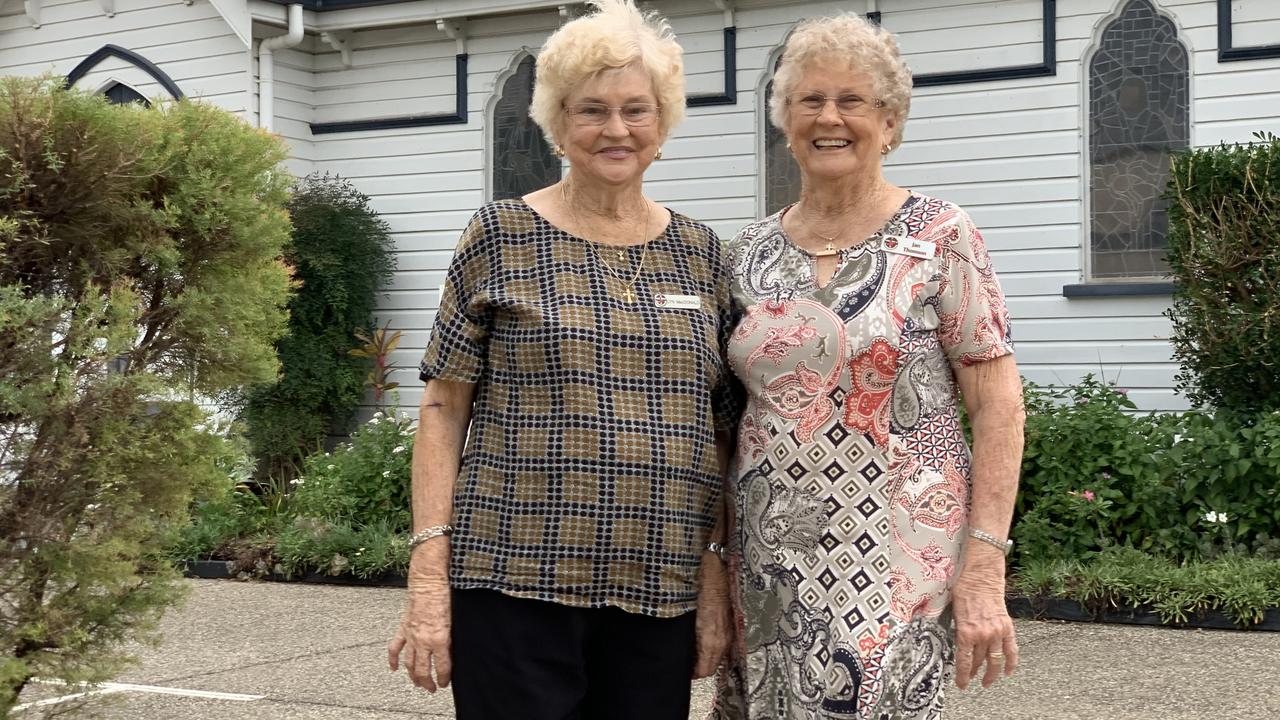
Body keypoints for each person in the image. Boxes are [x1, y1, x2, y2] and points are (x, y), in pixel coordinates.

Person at [386, 1, 740, 718]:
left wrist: (711, 575)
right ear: (557, 121)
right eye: (592, 110)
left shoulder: (703, 254)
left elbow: (723, 430)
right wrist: (429, 574)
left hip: (657, 587)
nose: (616, 129)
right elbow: (442, 407)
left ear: (663, 122)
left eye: (636, 110)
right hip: (513, 584)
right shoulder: (498, 235)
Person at [713, 13, 1024, 719]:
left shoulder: (940, 237)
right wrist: (712, 565)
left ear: (889, 122)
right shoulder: (744, 257)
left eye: (852, 101)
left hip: (897, 561)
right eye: (809, 100)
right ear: (785, 119)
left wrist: (984, 566)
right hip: (766, 569)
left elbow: (999, 405)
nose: (830, 117)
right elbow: (723, 422)